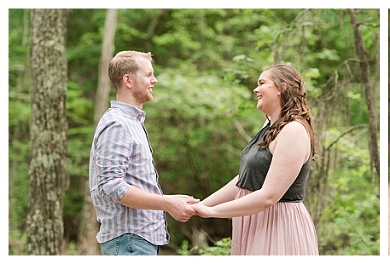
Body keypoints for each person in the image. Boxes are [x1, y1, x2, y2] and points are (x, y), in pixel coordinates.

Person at [191, 64, 319, 255]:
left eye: (261, 83)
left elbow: (269, 196)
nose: (255, 89)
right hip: (256, 223)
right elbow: (244, 179)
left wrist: (213, 212)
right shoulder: (269, 127)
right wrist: (201, 205)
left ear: (281, 88)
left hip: (278, 227)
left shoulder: (293, 131)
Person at [89, 50, 199, 255]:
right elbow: (112, 186)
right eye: (148, 75)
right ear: (128, 80)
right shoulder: (117, 123)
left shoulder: (132, 123)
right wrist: (168, 203)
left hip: (136, 240)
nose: (154, 80)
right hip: (129, 241)